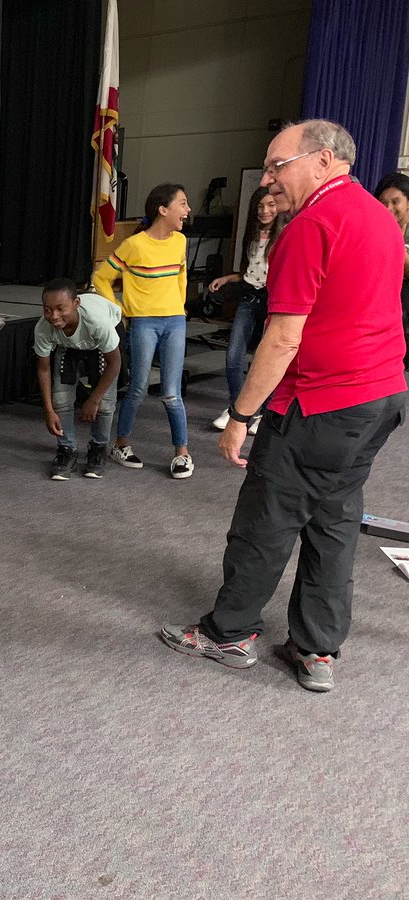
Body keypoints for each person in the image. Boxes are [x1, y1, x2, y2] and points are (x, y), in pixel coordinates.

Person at [160, 119, 407, 692]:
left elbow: (282, 337)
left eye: (278, 165)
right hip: (382, 398)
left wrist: (241, 416)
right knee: (335, 519)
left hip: (321, 403)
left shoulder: (310, 225)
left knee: (265, 521)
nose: (269, 180)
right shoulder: (379, 215)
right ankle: (316, 648)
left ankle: (227, 634)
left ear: (322, 161)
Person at [92, 183, 194, 478]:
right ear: (163, 210)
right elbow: (101, 278)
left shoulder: (180, 242)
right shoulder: (134, 245)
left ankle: (182, 454)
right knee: (137, 387)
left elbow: (181, 277)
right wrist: (118, 311)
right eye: (182, 204)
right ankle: (121, 444)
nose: (187, 211)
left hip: (175, 320)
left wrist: (180, 306)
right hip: (144, 322)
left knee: (172, 392)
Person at [208, 186, 286, 432]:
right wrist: (228, 279)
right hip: (249, 296)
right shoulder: (251, 234)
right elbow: (247, 271)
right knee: (233, 355)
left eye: (271, 205)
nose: (265, 211)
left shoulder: (285, 233)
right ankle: (236, 408)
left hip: (272, 298)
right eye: (261, 206)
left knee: (266, 357)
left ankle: (264, 410)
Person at [33, 278, 122, 479]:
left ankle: (98, 449)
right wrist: (48, 411)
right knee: (61, 401)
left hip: (100, 342)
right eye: (47, 310)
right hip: (67, 343)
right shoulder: (44, 327)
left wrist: (93, 399)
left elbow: (114, 363)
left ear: (76, 304)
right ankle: (67, 450)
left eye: (60, 309)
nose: (53, 316)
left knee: (105, 405)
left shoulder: (98, 322)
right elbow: (43, 369)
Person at [373, 171, 409, 369]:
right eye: (382, 202)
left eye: (395, 202)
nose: (388, 208)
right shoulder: (374, 232)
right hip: (383, 324)